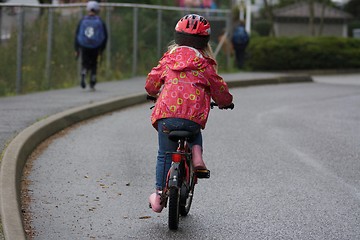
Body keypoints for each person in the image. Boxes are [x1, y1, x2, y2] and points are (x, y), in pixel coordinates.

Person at [145, 14, 234, 213]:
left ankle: (159, 196)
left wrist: (151, 93)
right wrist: (226, 102)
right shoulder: (205, 64)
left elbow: (152, 82)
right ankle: (197, 155)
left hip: (166, 117)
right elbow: (219, 89)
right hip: (192, 120)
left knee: (164, 154)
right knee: (194, 131)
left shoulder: (168, 60)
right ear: (205, 42)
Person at [74, 1, 107, 90]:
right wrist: (102, 49)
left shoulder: (83, 20)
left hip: (84, 45)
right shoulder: (100, 21)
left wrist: (76, 49)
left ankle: (84, 71)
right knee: (94, 64)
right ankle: (92, 81)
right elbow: (105, 36)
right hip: (96, 46)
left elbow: (77, 35)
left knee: (85, 62)